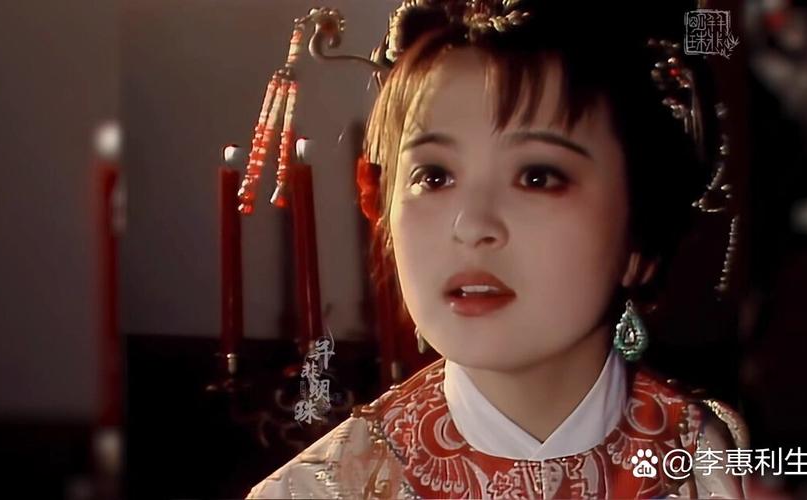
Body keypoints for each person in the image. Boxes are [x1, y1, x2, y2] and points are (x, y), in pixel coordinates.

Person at [249, 1, 750, 497]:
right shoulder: (318, 490)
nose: (472, 226)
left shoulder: (717, 468)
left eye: (537, 177)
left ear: (639, 234)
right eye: (434, 176)